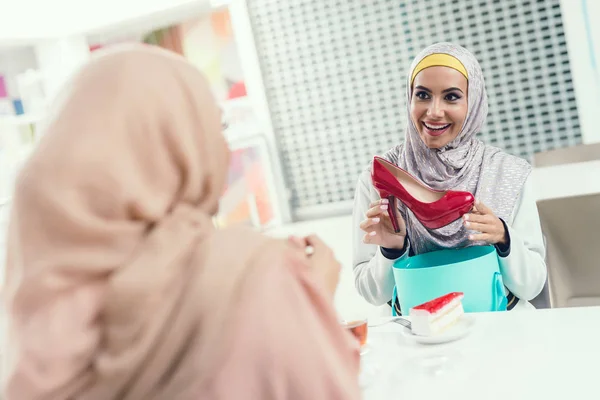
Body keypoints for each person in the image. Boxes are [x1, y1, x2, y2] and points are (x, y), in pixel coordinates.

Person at [2, 45, 360, 400]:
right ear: (179, 146)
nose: (223, 147)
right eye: (214, 126)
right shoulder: (252, 275)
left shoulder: (26, 315)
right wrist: (312, 303)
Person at [353, 42, 547, 313]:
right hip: (415, 333)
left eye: (451, 97)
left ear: (474, 101)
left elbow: (533, 285)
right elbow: (372, 294)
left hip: (500, 325)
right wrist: (391, 251)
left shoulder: (507, 172)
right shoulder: (380, 177)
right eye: (422, 95)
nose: (433, 111)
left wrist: (503, 237)